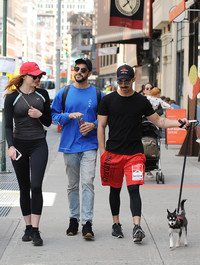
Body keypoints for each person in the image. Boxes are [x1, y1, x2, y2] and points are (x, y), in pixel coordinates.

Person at [97, 64, 189, 243]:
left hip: (134, 154)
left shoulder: (141, 101)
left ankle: (137, 226)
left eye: (126, 81)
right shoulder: (108, 101)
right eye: (120, 81)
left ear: (133, 80)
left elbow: (160, 121)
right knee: (114, 190)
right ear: (117, 81)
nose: (123, 84)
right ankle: (116, 224)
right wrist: (103, 153)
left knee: (133, 189)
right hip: (113, 153)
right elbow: (100, 126)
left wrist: (179, 123)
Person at [51, 58, 104, 240]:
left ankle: (87, 223)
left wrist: (93, 125)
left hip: (90, 145)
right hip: (69, 146)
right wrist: (68, 115)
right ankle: (73, 219)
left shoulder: (98, 94)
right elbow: (53, 116)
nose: (79, 72)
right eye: (76, 68)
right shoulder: (64, 92)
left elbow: (106, 118)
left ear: (89, 73)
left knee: (87, 183)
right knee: (72, 185)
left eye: (83, 69)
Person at [4, 62, 52, 246]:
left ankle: (36, 230)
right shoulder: (12, 97)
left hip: (39, 143)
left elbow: (48, 122)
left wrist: (40, 114)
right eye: (34, 76)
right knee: (24, 187)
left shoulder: (43, 94)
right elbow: (8, 126)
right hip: (19, 146)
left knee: (36, 185)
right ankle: (27, 226)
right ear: (24, 76)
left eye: (40, 76)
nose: (38, 79)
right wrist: (10, 146)